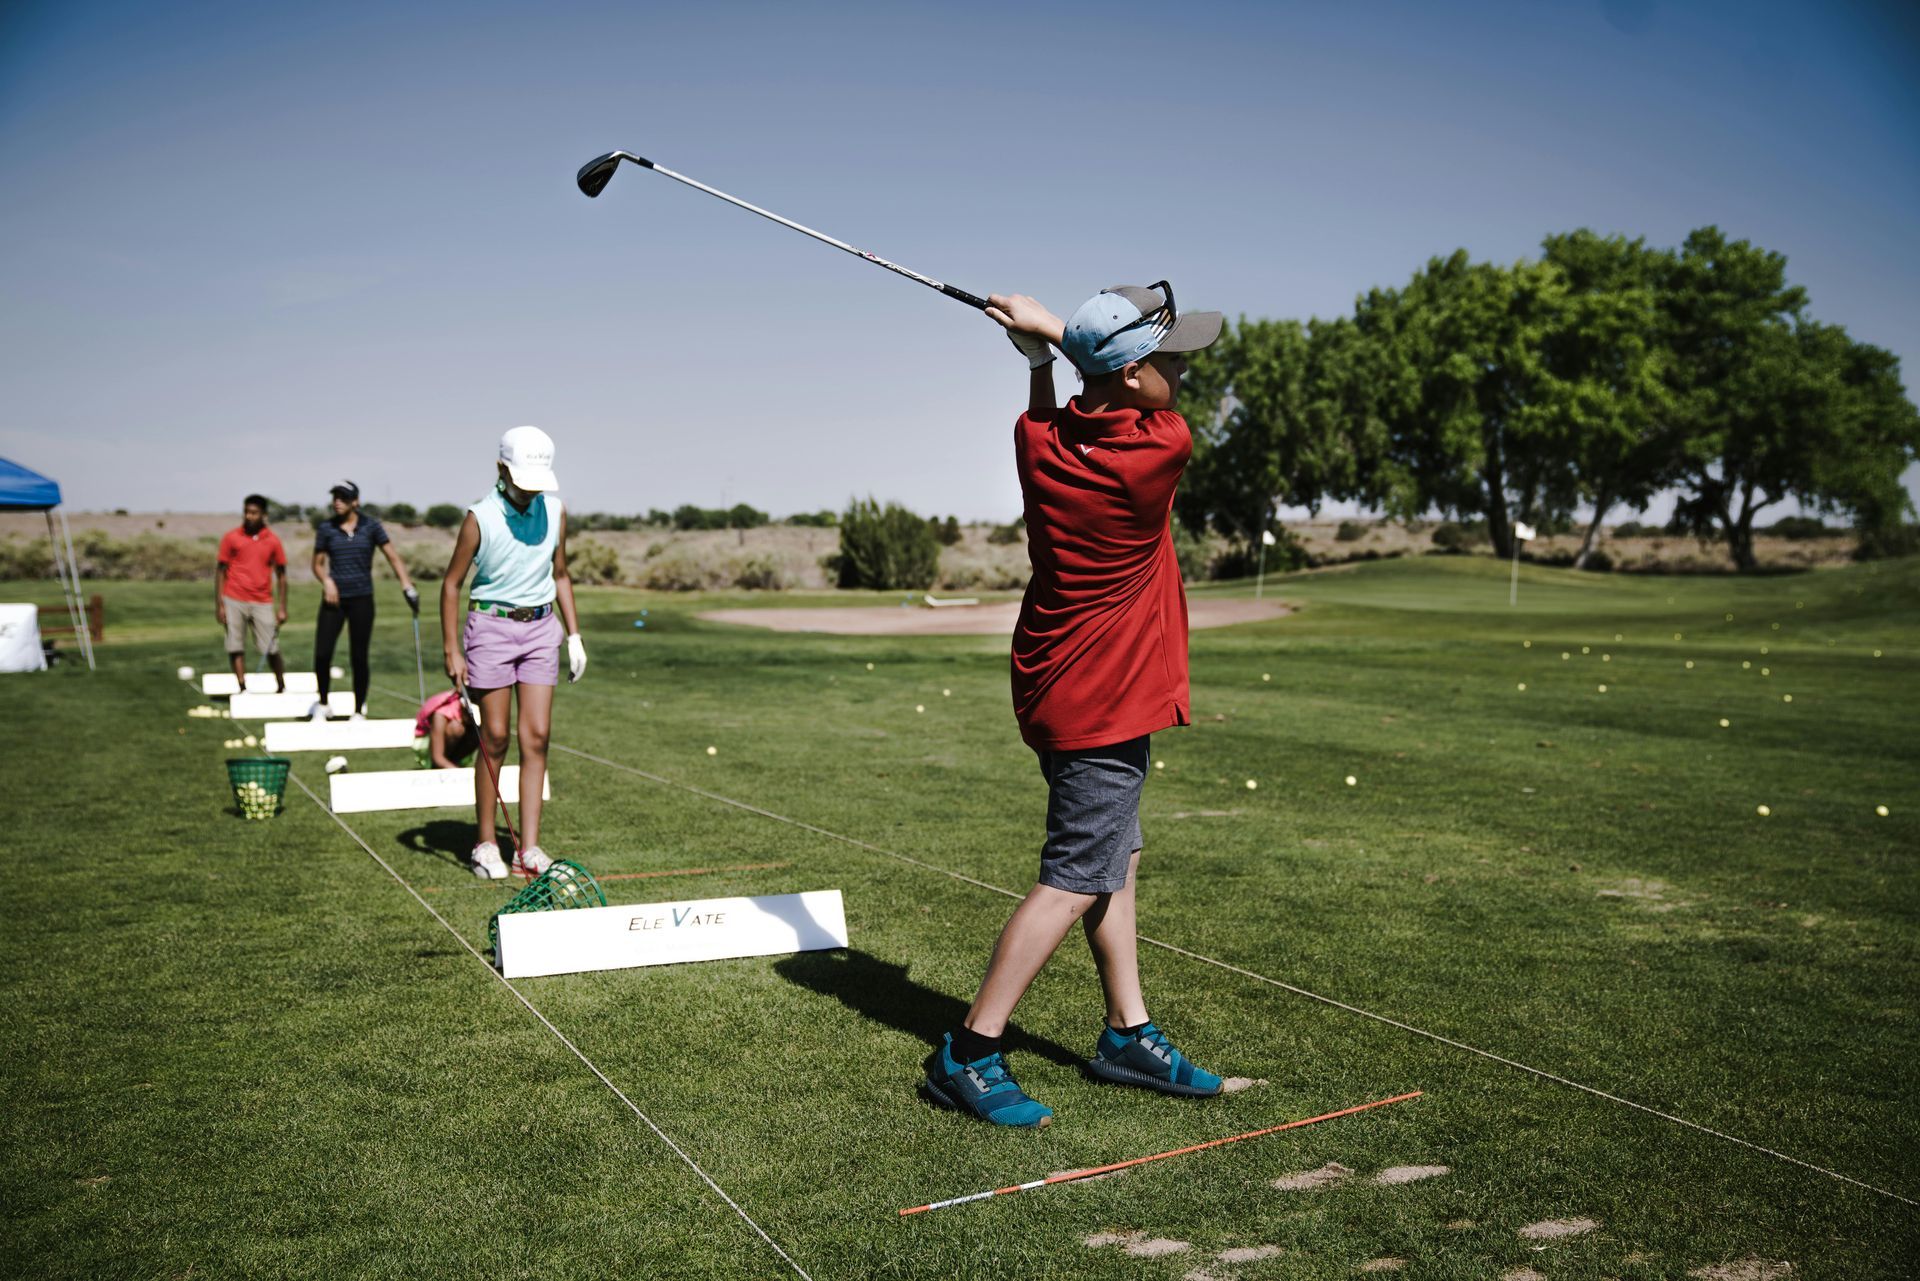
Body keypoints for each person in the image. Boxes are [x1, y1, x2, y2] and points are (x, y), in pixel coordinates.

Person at [921, 283, 1226, 1128]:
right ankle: (969, 1049)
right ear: (1128, 377)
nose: (1178, 372)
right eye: (1166, 360)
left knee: (1114, 859)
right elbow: (1105, 385)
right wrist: (1048, 334)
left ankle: (1127, 1030)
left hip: (1060, 683)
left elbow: (1051, 412)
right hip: (1106, 697)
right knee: (1072, 876)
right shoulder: (1159, 449)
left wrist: (1037, 364)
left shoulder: (1039, 439)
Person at [441, 426, 586, 880]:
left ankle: (529, 848)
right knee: (496, 737)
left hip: (543, 629)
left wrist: (575, 635)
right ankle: (486, 843)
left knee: (537, 736)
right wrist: (452, 650)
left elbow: (560, 574)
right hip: (491, 629)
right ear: (502, 469)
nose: (530, 491)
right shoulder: (479, 517)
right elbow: (451, 585)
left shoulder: (555, 510)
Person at [309, 480, 418, 720]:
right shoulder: (326, 528)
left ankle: (358, 710)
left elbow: (393, 557)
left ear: (355, 502)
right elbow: (316, 565)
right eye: (335, 497)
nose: (338, 501)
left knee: (359, 656)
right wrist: (327, 581)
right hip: (333, 600)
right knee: (322, 654)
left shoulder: (371, 526)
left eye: (343, 497)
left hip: (362, 598)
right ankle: (324, 703)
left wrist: (407, 586)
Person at [215, 494, 289, 692]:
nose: (249, 516)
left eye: (254, 513)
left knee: (271, 647)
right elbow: (220, 571)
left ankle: (281, 686)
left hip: (262, 600)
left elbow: (281, 575)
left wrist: (282, 607)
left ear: (264, 514)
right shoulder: (231, 538)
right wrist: (220, 604)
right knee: (235, 645)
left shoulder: (273, 541)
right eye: (247, 512)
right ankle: (242, 687)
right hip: (233, 598)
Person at [413, 688, 478, 769]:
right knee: (457, 728)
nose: (471, 719)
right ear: (463, 706)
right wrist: (459, 774)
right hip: (429, 751)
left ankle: (452, 763)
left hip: (454, 752)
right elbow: (437, 757)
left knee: (480, 731)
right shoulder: (441, 714)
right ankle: (442, 767)